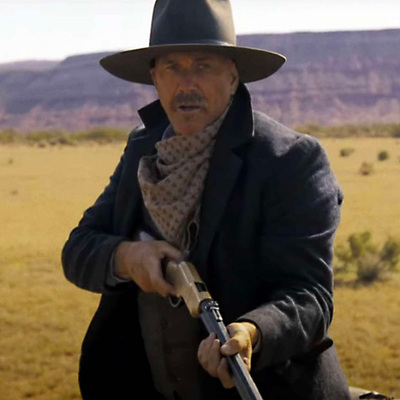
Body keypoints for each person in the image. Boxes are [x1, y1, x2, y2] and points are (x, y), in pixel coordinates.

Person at [62, 1, 351, 399]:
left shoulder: (290, 160)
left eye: (203, 66)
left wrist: (252, 332)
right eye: (172, 68)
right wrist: (127, 257)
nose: (186, 84)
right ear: (154, 78)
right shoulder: (143, 150)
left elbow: (309, 298)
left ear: (232, 77)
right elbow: (78, 250)